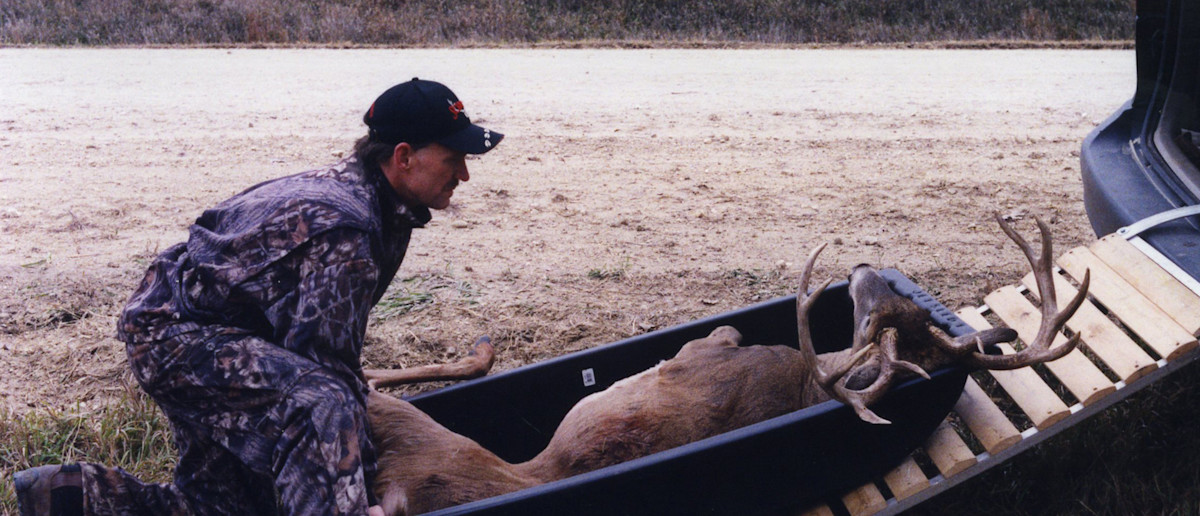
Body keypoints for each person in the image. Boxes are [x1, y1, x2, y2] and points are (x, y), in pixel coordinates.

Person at [13, 78, 503, 516]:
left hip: (207, 329)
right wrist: (361, 500)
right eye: (453, 159)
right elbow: (327, 379)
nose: (463, 175)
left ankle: (61, 497)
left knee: (225, 505)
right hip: (177, 335)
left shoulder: (379, 205)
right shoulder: (348, 230)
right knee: (321, 405)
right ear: (403, 156)